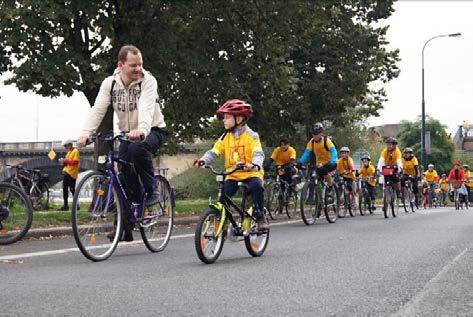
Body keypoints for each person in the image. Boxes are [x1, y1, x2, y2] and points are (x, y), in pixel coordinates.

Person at [77, 45, 167, 241]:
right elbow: (98, 109)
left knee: (137, 149)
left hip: (152, 130)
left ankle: (152, 192)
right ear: (121, 65)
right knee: (124, 177)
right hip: (127, 133)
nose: (138, 69)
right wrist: (85, 133)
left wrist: (143, 130)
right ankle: (125, 227)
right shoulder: (110, 84)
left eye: (140, 64)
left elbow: (146, 108)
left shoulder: (147, 81)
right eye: (133, 65)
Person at [194, 99, 268, 231]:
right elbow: (214, 151)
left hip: (251, 172)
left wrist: (255, 164)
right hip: (233, 174)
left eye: (227, 117)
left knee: (257, 186)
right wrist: (203, 160)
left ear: (239, 119)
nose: (224, 120)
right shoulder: (225, 137)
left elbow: (258, 152)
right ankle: (224, 219)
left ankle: (260, 215)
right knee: (224, 196)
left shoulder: (251, 136)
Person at [297, 122, 338, 199]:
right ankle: (319, 199)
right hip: (319, 164)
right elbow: (306, 153)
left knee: (324, 171)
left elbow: (333, 151)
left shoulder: (326, 141)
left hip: (331, 163)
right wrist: (300, 162)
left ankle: (330, 187)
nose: (315, 135)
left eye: (317, 133)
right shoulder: (311, 142)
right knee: (314, 177)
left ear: (321, 133)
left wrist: (332, 160)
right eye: (313, 134)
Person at [267, 139, 298, 208]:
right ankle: (280, 204)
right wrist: (267, 165)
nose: (283, 146)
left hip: (290, 167)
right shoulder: (277, 150)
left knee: (289, 171)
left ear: (288, 145)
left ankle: (290, 190)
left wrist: (289, 165)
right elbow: (272, 158)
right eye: (281, 145)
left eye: (285, 145)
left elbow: (292, 160)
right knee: (281, 185)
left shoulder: (291, 150)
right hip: (280, 168)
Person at [376, 137, 403, 208]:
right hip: (387, 167)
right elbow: (381, 160)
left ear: (394, 145)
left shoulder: (397, 151)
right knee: (384, 183)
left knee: (396, 179)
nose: (388, 146)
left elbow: (399, 160)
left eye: (390, 144)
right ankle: (385, 201)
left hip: (395, 167)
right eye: (387, 144)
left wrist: (400, 168)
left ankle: (398, 192)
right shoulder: (384, 151)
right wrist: (378, 169)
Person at [58, 140, 80, 211]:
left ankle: (77, 205)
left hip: (72, 173)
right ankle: (65, 205)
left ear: (70, 145)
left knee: (72, 189)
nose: (65, 148)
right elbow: (67, 163)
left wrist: (65, 161)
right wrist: (62, 161)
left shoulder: (75, 151)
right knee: (65, 189)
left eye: (66, 146)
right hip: (66, 172)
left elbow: (75, 162)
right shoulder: (69, 153)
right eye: (65, 146)